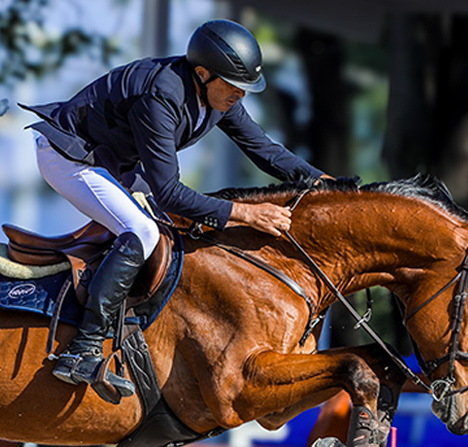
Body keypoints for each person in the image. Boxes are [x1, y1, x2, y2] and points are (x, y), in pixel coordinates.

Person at [22, 19, 327, 403]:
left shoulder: (219, 95)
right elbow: (167, 192)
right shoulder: (160, 95)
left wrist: (322, 183)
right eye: (235, 87)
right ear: (202, 74)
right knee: (143, 232)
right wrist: (247, 214)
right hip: (70, 157)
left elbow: (263, 148)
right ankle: (82, 348)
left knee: (171, 231)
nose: (240, 96)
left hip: (112, 162)